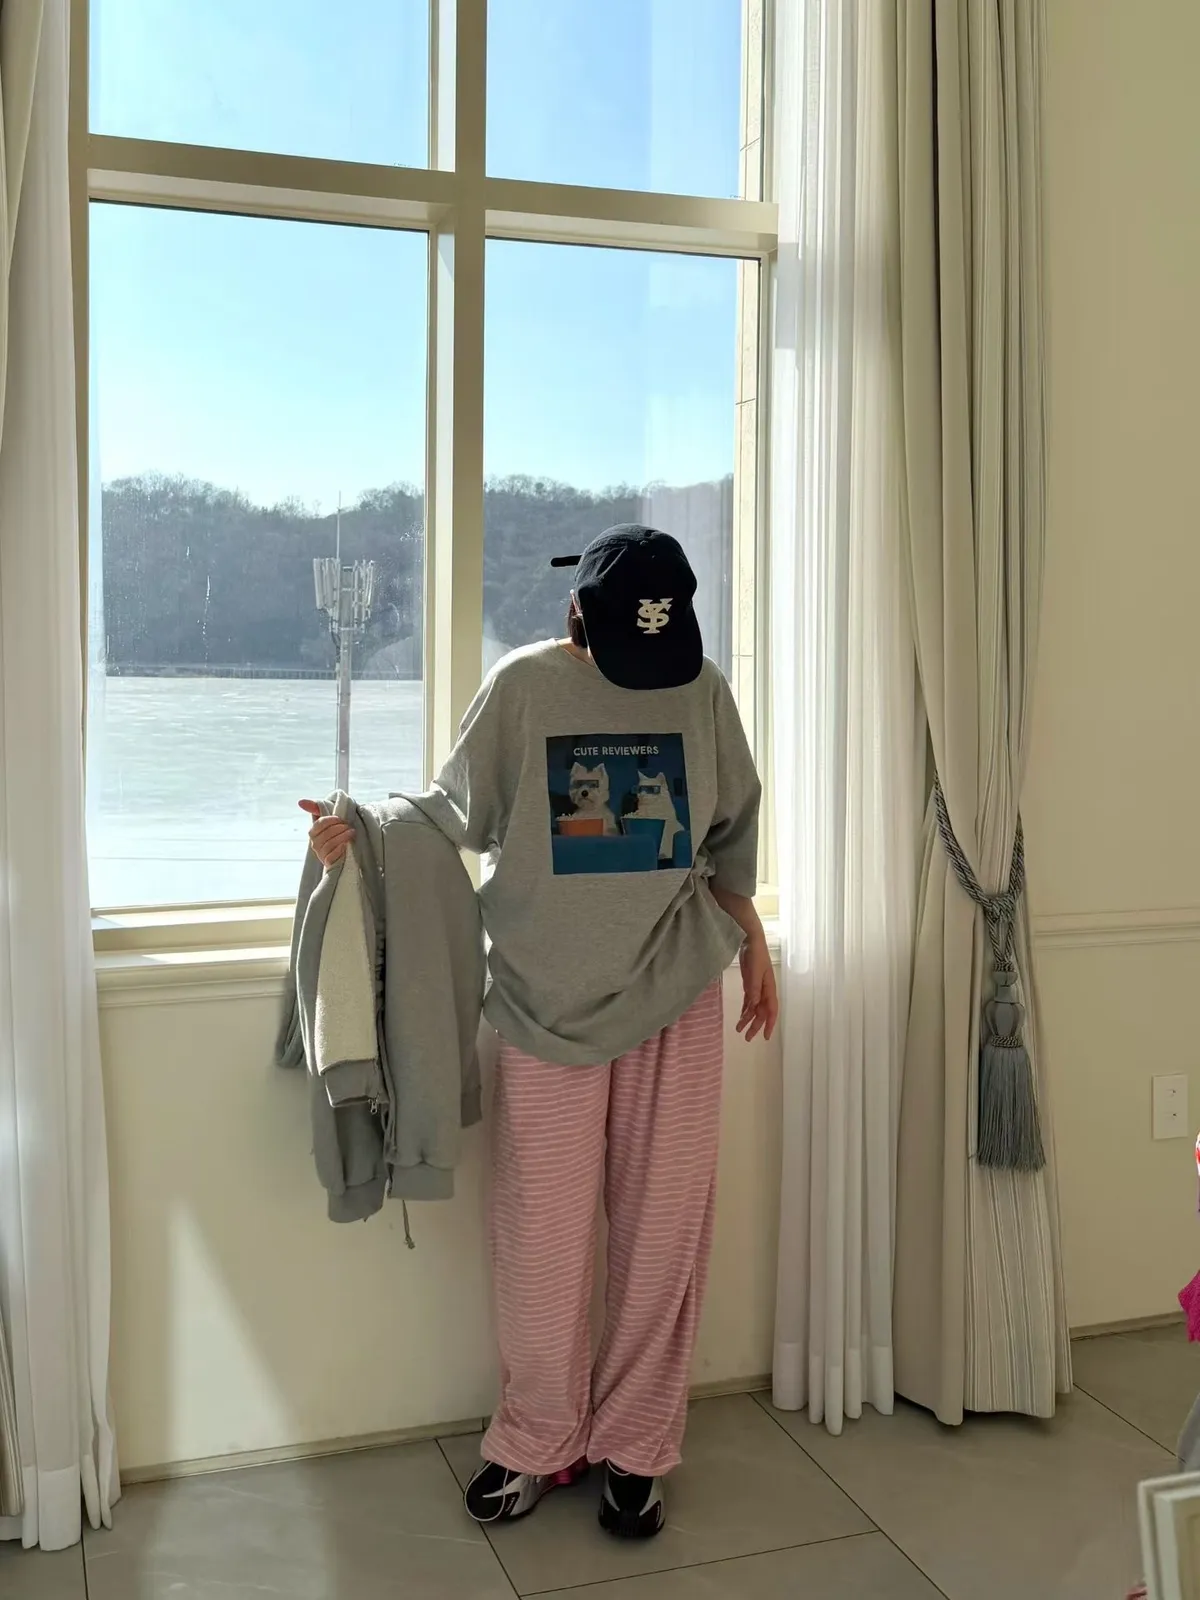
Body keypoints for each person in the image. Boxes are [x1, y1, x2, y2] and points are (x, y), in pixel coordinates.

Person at [302, 525, 777, 1540]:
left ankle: (637, 1448)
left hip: (676, 990)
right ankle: (536, 1439)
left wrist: (755, 942)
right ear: (580, 616)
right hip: (541, 1004)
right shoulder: (523, 687)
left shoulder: (700, 689)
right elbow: (447, 815)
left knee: (662, 1236)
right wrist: (355, 833)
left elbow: (732, 828)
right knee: (541, 1243)